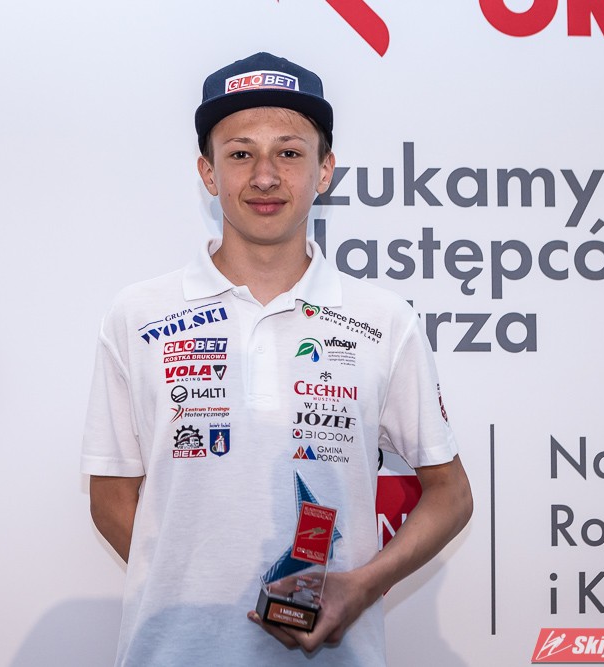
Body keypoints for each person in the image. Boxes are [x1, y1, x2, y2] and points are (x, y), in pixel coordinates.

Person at [82, 52, 473, 666]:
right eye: (241, 153)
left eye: (289, 153)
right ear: (208, 173)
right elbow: (110, 496)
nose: (265, 176)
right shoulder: (137, 314)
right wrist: (195, 597)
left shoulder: (383, 319)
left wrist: (360, 587)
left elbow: (451, 495)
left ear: (325, 171)